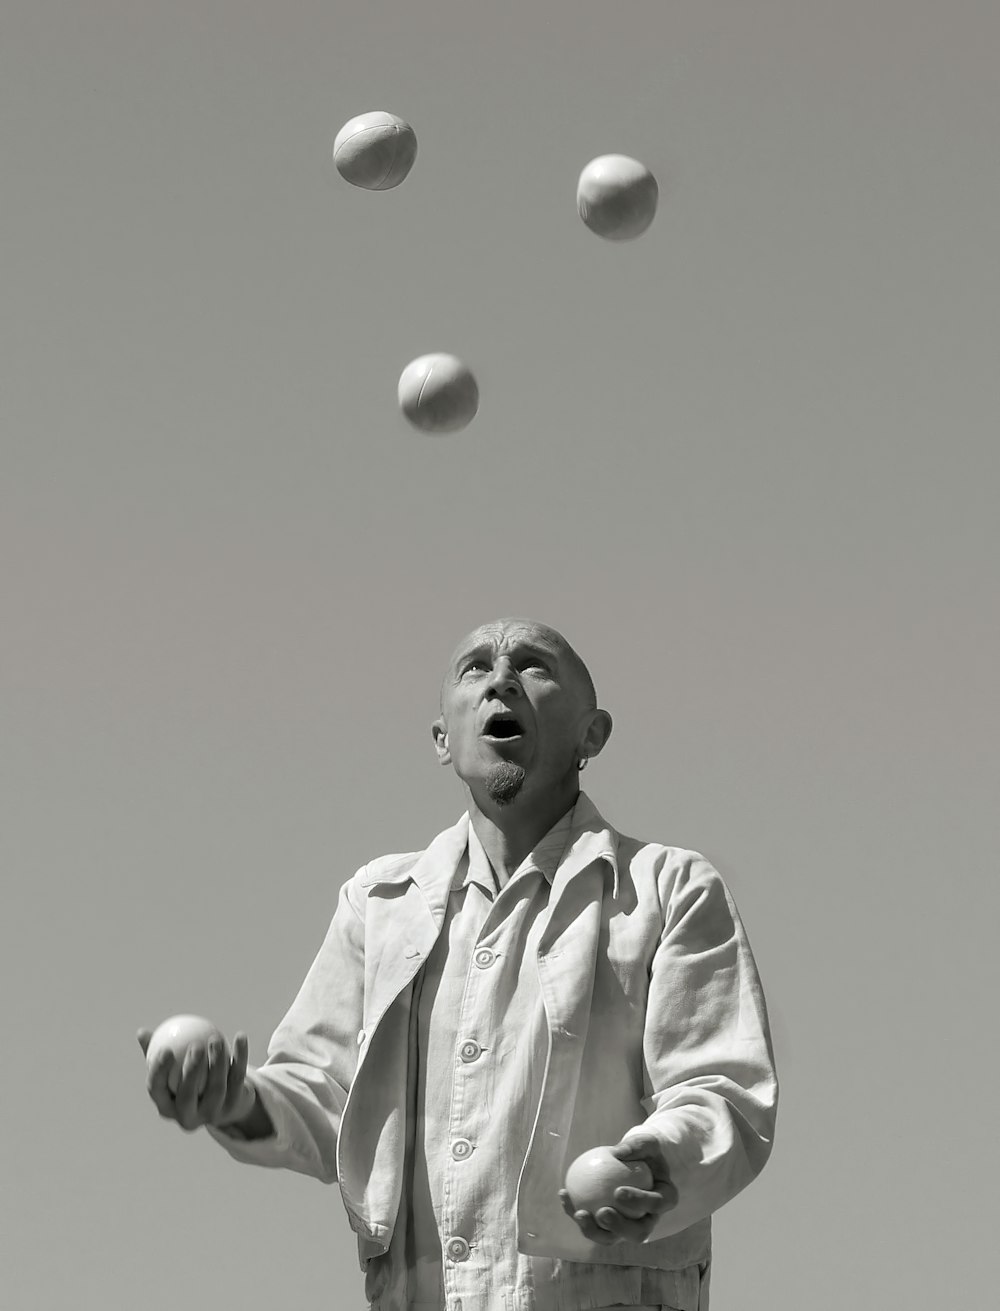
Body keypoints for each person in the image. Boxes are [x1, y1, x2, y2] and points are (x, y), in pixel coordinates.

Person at [139, 617, 778, 1311]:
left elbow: (723, 1092)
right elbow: (321, 1098)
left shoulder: (669, 888)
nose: (500, 678)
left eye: (534, 665)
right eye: (475, 668)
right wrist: (232, 1099)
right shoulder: (379, 905)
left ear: (592, 734)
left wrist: (651, 1165)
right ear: (443, 739)